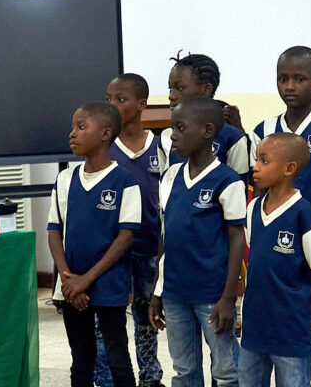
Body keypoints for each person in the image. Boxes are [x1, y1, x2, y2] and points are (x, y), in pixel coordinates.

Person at [249, 45, 311, 386]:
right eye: (283, 78)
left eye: (299, 79)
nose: (290, 86)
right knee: (272, 326)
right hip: (274, 247)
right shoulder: (263, 129)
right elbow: (258, 191)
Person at [149, 98, 247, 386]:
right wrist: (158, 291)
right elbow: (166, 238)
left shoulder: (227, 180)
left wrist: (228, 298)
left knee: (226, 370)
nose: (173, 136)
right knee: (184, 369)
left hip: (212, 294)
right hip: (174, 292)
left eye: (180, 128)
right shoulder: (170, 177)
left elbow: (237, 239)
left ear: (207, 131)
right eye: (172, 128)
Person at [47, 102, 141, 387]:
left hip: (108, 284)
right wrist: (69, 279)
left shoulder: (125, 181)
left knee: (117, 356)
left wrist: (85, 280)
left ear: (105, 134)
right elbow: (54, 231)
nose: (72, 133)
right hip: (71, 285)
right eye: (73, 127)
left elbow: (126, 237)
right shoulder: (65, 179)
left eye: (81, 127)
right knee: (81, 358)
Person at [239, 132, 311, 387]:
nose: (255, 167)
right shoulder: (253, 208)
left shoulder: (304, 214)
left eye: (264, 161)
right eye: (256, 159)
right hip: (255, 325)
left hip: (290, 328)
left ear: (289, 169)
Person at [92, 74, 163, 387]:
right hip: (112, 250)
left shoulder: (161, 147)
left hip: (150, 246)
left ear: (142, 105)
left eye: (121, 100)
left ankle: (150, 377)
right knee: (106, 317)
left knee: (147, 316)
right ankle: (106, 378)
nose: (112, 105)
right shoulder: (105, 148)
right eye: (108, 99)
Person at [157, 51, 249, 182]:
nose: (171, 96)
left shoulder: (231, 137)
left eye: (179, 88)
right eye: (170, 88)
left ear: (206, 89)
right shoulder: (166, 136)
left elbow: (240, 185)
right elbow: (164, 185)